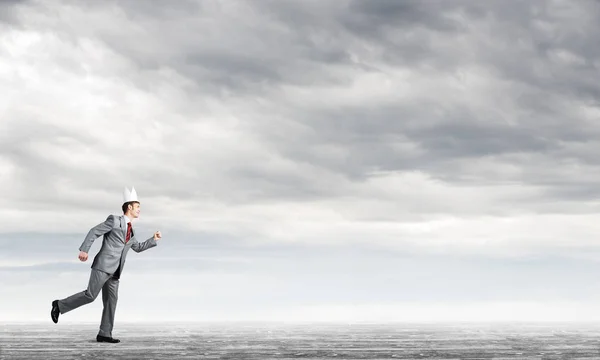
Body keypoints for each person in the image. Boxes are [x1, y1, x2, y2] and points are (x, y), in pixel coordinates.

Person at [50, 186, 161, 343]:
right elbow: (94, 231)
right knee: (90, 295)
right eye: (138, 207)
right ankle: (59, 305)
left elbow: (137, 248)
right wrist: (84, 250)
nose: (139, 210)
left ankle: (104, 333)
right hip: (103, 265)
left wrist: (153, 239)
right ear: (129, 207)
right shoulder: (114, 221)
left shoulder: (131, 231)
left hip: (115, 272)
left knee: (111, 302)